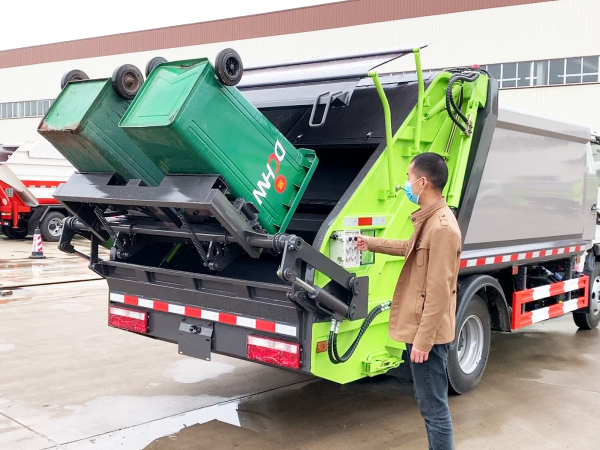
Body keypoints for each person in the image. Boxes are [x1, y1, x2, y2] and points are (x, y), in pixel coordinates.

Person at [356, 153, 461, 450]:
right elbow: (410, 248)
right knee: (428, 403)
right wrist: (371, 243)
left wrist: (423, 342)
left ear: (422, 182)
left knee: (434, 409)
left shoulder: (442, 227)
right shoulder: (430, 220)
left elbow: (439, 292)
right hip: (422, 332)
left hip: (428, 336)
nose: (405, 184)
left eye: (407, 177)